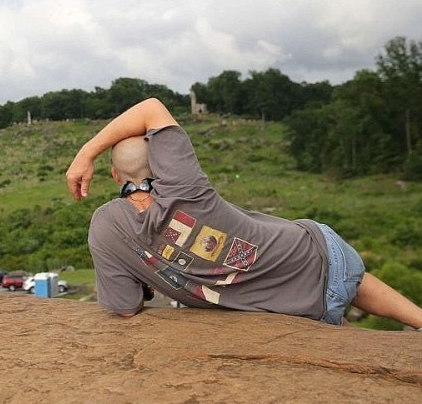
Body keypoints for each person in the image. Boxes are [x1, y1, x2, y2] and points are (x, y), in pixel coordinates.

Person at [66, 98, 422, 330]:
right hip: (316, 252)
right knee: (346, 278)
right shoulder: (183, 184)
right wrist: (87, 153)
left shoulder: (104, 227)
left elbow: (125, 308)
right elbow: (151, 109)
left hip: (297, 309)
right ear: (162, 165)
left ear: (115, 176)